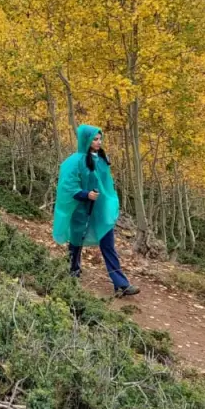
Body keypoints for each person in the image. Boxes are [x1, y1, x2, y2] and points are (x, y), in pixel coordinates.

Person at [53, 124, 140, 297]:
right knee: (76, 242)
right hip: (81, 210)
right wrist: (85, 194)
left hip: (100, 211)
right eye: (95, 139)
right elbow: (67, 186)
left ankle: (121, 284)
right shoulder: (74, 162)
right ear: (86, 140)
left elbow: (106, 184)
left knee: (108, 244)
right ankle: (72, 271)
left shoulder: (101, 159)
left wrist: (108, 202)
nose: (99, 142)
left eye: (100, 138)